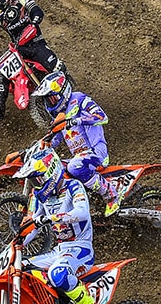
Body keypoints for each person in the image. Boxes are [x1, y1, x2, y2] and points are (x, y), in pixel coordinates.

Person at [16, 146, 106, 304]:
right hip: (61, 250)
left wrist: (52, 218)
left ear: (51, 172)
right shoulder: (40, 198)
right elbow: (34, 225)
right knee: (22, 270)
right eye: (33, 181)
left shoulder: (73, 186)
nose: (35, 184)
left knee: (58, 273)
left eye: (37, 179)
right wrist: (17, 243)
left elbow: (82, 212)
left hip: (81, 248)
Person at [31, 71, 122, 216]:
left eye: (52, 98)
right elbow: (57, 137)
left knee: (74, 166)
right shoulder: (59, 115)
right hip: (80, 157)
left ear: (63, 91)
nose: (50, 103)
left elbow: (102, 117)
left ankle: (111, 194)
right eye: (47, 100)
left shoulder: (79, 99)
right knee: (54, 170)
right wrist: (46, 144)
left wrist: (76, 120)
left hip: (96, 151)